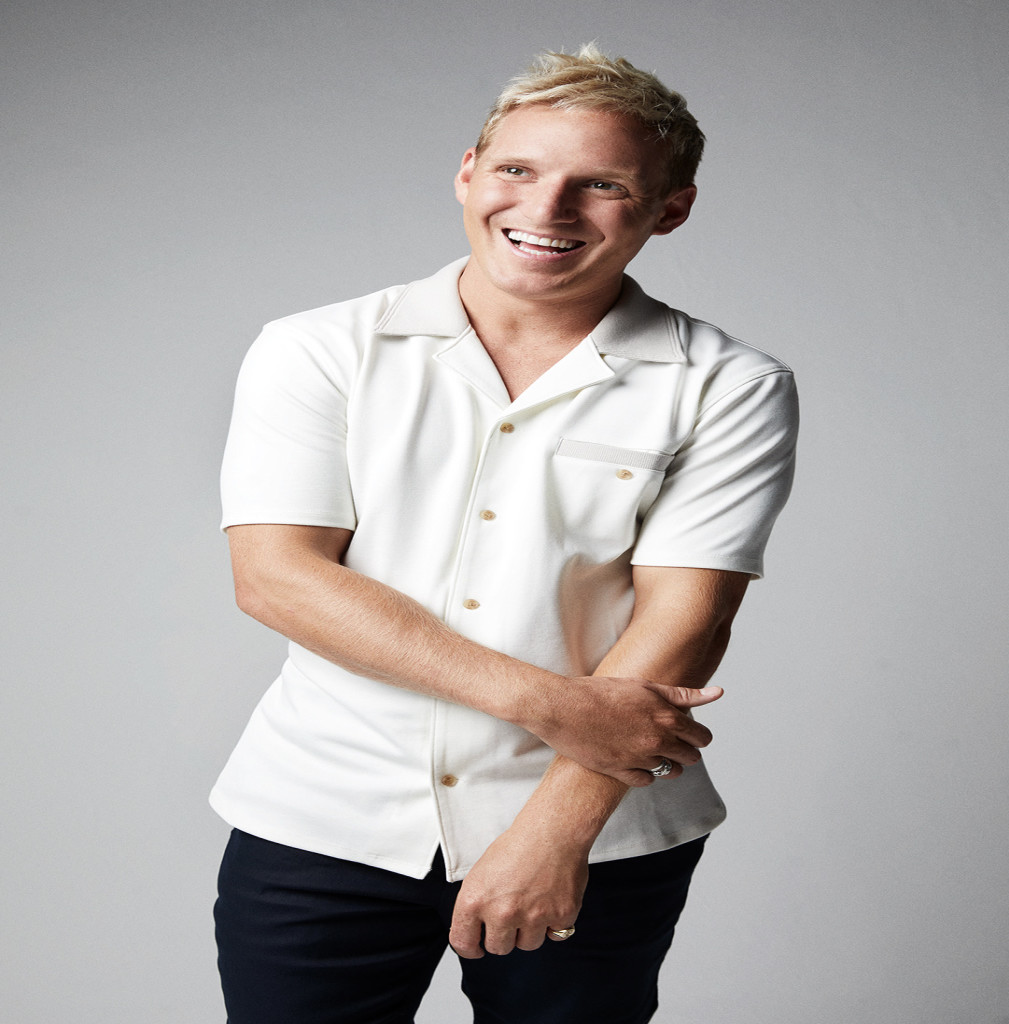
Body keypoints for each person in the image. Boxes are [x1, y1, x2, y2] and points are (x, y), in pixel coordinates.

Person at [211, 44, 798, 1024]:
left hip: (602, 831)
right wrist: (551, 702)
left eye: (601, 184)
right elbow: (277, 578)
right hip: (326, 813)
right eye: (518, 168)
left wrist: (554, 832)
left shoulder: (730, 386)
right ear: (468, 172)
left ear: (669, 208)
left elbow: (686, 619)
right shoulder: (317, 349)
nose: (547, 207)